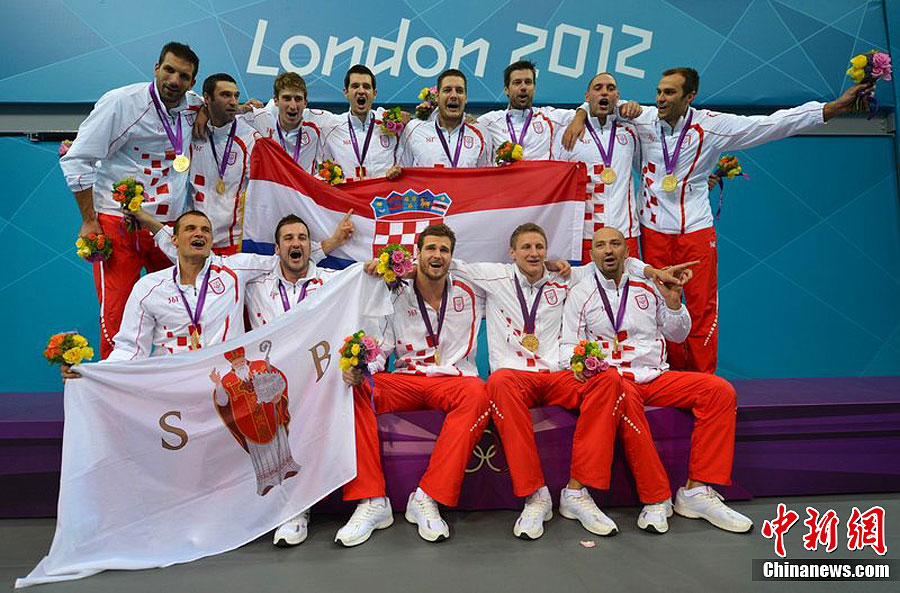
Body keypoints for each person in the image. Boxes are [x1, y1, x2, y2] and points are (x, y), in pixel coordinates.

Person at [564, 67, 871, 373]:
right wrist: (579, 115)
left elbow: (770, 124)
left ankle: (703, 380)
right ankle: (669, 377)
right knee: (661, 305)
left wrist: (832, 108)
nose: (660, 99)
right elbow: (599, 100)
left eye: (669, 93)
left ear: (690, 96)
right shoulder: (643, 118)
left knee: (701, 309)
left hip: (695, 233)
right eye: (658, 92)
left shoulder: (710, 126)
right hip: (653, 234)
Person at [453, 223, 688, 539]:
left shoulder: (566, 278)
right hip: (515, 376)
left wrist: (651, 271)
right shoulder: (494, 276)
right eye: (526, 247)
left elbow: (617, 261)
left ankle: (577, 492)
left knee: (609, 380)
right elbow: (448, 265)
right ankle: (535, 496)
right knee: (499, 382)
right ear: (512, 253)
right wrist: (397, 268)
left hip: (558, 375)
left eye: (539, 247)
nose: (534, 253)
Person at [562, 227, 752, 534]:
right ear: (592, 253)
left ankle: (696, 491)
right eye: (601, 245)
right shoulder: (581, 293)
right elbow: (568, 345)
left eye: (615, 244)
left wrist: (674, 303)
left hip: (655, 375)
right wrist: (581, 366)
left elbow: (678, 334)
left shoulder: (650, 285)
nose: (608, 250)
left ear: (627, 251)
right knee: (623, 397)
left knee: (719, 391)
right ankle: (655, 498)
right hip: (615, 380)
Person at [339, 224, 490, 546]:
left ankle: (426, 497)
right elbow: (380, 349)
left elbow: (512, 272)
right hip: (407, 379)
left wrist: (552, 264)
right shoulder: (394, 293)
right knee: (357, 389)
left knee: (479, 393)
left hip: (453, 380)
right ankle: (372, 500)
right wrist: (361, 371)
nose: (437, 255)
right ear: (417, 254)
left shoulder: (472, 289)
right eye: (431, 248)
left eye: (444, 250)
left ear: (452, 257)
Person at [60, 42, 202, 359]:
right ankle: (116, 386)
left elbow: (220, 108)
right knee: (118, 315)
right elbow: (77, 159)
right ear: (156, 68)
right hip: (118, 225)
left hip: (167, 228)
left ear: (192, 82)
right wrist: (89, 220)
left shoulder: (193, 107)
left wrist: (243, 109)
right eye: (169, 70)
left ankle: (176, 381)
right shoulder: (122, 103)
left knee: (182, 310)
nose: (174, 80)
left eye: (183, 76)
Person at [554, 72, 641, 262]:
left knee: (629, 281)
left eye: (610, 89)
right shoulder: (568, 134)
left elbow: (649, 168)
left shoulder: (631, 132)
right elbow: (555, 183)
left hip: (625, 232)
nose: (604, 93)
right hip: (585, 235)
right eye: (598, 88)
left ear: (617, 97)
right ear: (587, 97)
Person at [210, 346, 300, 497]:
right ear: (231, 364)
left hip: (270, 414)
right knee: (261, 454)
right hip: (248, 424)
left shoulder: (261, 366)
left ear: (244, 358)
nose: (239, 364)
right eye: (236, 363)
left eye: (241, 361)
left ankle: (287, 468)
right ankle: (267, 481)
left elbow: (279, 379)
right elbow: (222, 402)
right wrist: (218, 384)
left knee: (279, 444)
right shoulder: (226, 381)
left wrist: (278, 396)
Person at [189, 73, 260, 255]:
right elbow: (181, 97)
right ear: (207, 98)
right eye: (225, 95)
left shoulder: (250, 139)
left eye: (236, 96)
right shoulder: (190, 128)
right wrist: (203, 111)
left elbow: (262, 191)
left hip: (232, 242)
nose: (233, 102)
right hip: (192, 240)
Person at [319, 65, 402, 181]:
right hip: (349, 192)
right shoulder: (331, 128)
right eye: (355, 86)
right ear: (346, 92)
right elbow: (321, 171)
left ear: (374, 93)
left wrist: (398, 171)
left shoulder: (391, 124)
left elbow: (404, 164)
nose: (361, 91)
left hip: (384, 192)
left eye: (366, 87)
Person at [397, 69, 493, 168]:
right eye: (447, 90)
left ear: (466, 98)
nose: (454, 95)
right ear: (437, 97)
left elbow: (486, 175)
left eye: (459, 91)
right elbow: (402, 171)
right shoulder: (414, 130)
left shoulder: (481, 134)